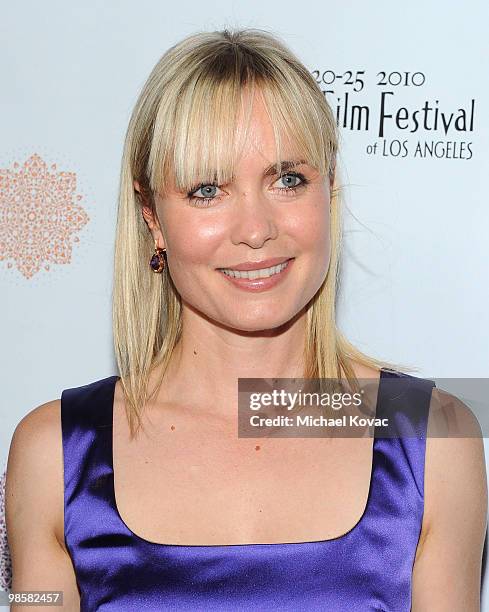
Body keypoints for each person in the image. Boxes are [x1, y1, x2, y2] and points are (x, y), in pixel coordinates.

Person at [5, 27, 487, 611]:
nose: (256, 229)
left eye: (288, 180)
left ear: (329, 189)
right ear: (151, 217)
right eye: (207, 190)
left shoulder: (430, 438)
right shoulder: (54, 452)